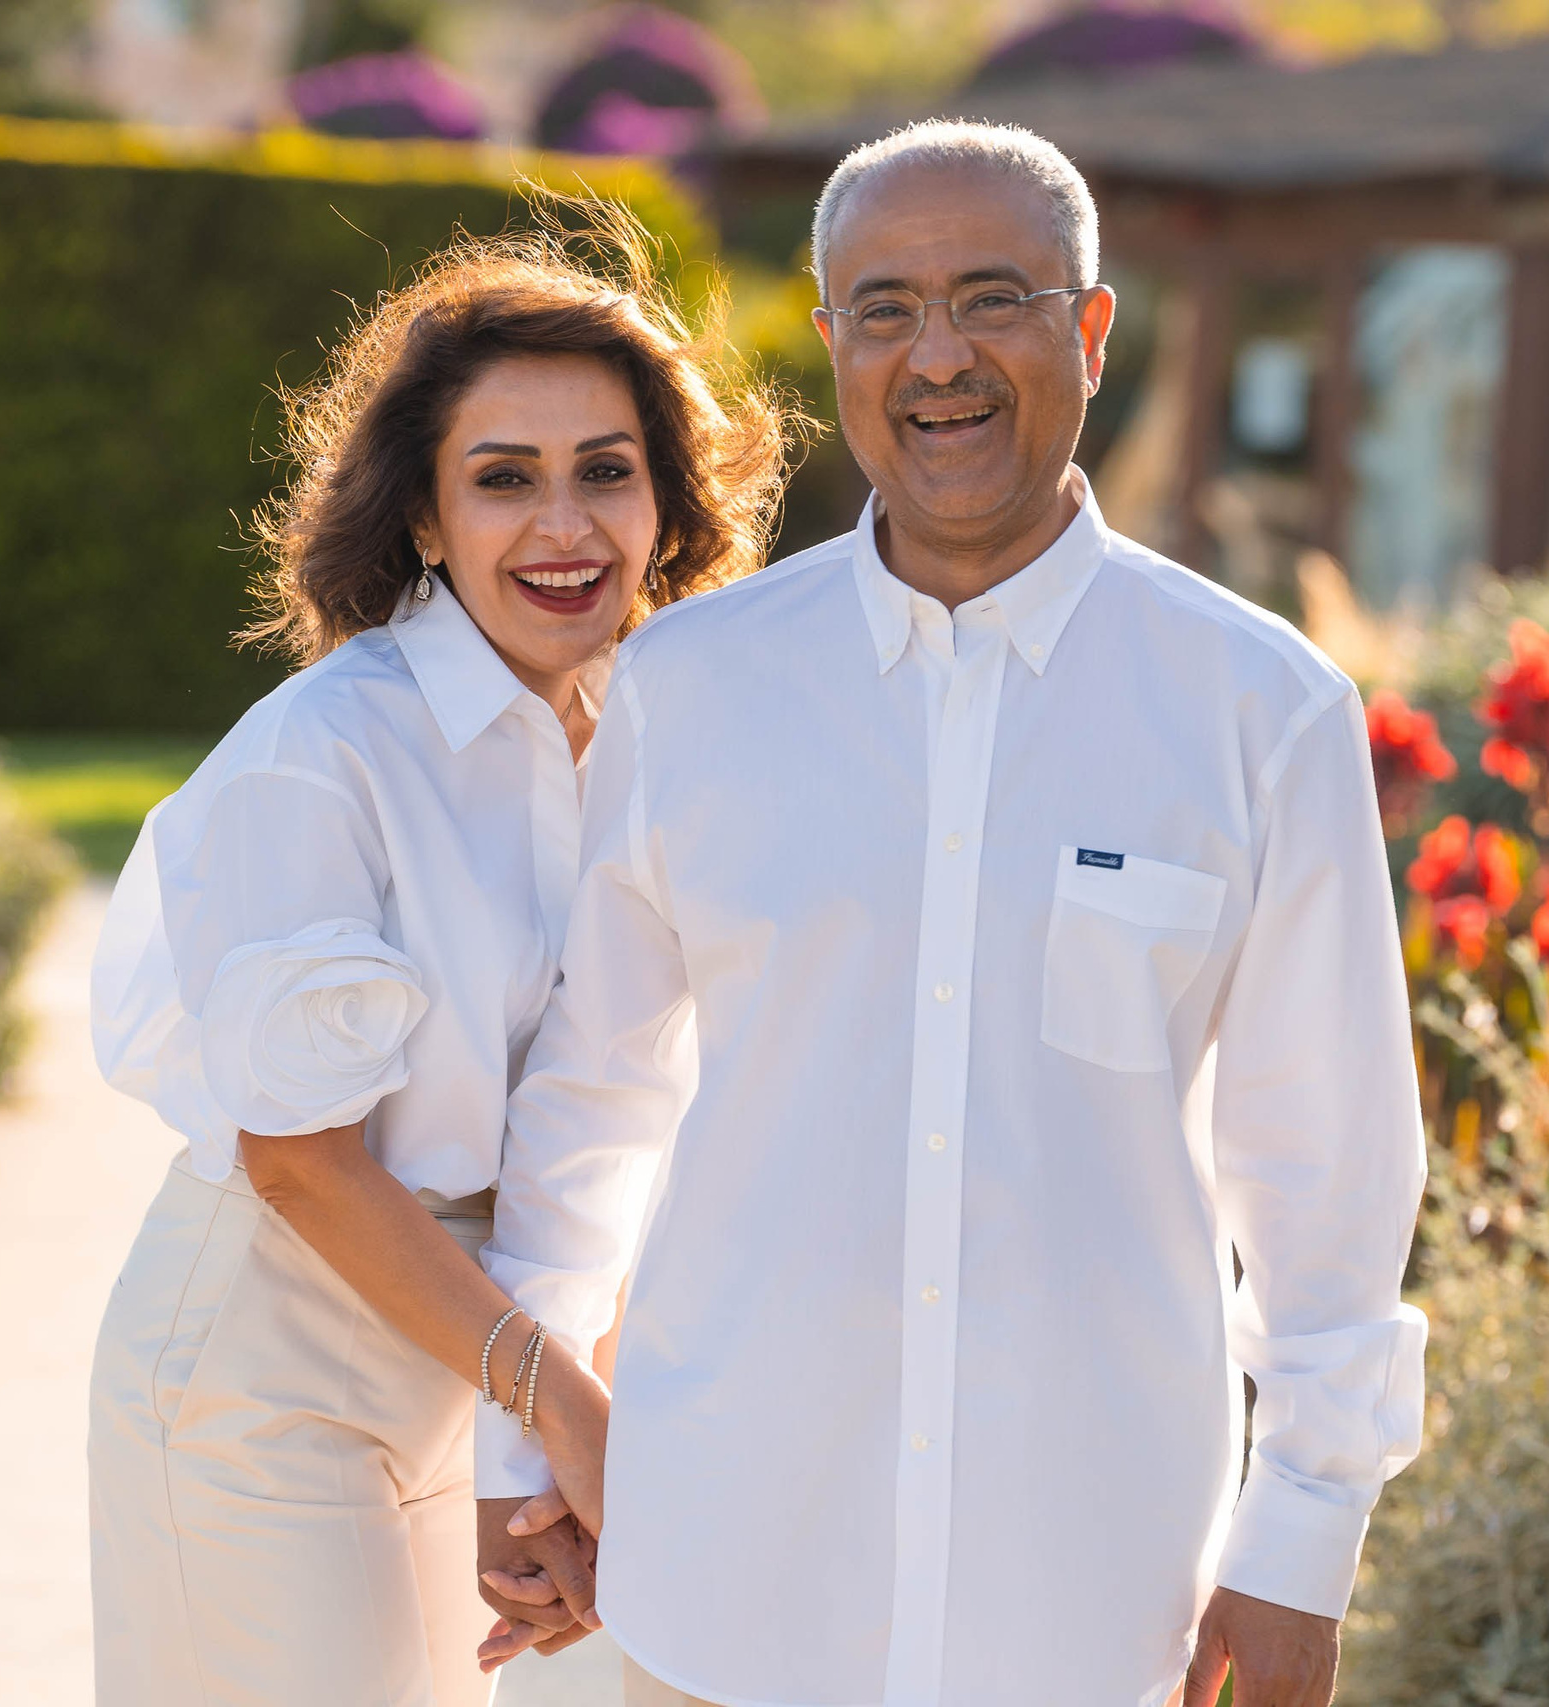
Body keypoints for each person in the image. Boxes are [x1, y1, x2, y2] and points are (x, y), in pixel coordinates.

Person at [473, 122, 1430, 1707]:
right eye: (885, 307)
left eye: (995, 299)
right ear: (832, 336)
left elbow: (1328, 1183)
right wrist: (527, 1434)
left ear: (1093, 330)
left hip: (1087, 1604)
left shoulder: (1264, 712)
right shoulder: (688, 691)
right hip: (722, 1579)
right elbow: (590, 1111)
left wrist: (1301, 1548)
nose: (939, 359)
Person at [84, 223, 788, 1707]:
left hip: (457, 1351)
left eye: (607, 469)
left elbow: (594, 1116)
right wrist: (561, 1405)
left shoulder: (648, 745)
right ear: (421, 518)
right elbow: (300, 1163)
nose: (565, 526)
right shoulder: (325, 755)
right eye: (504, 478)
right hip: (258, 1374)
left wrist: (524, 1435)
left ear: (667, 502)